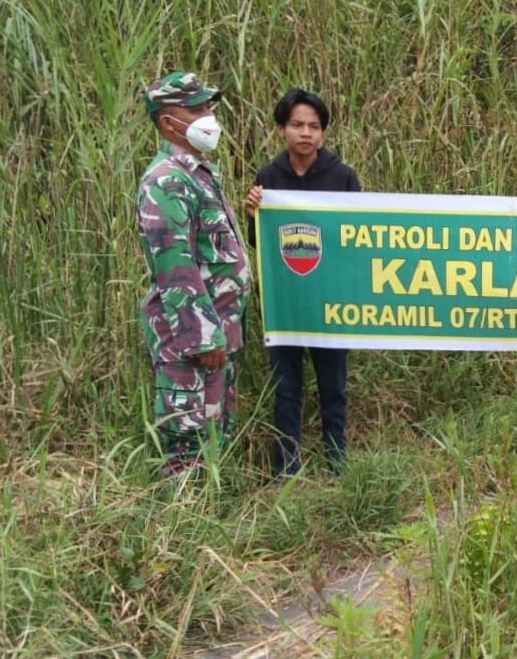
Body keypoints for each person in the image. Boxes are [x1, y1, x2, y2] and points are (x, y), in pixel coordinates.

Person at [136, 71, 251, 479]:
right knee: (187, 443)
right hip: (190, 342)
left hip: (215, 334)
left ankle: (209, 511)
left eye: (207, 107)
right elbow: (175, 266)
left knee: (214, 434)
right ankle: (179, 516)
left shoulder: (197, 174)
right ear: (169, 123)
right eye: (197, 109)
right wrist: (203, 337)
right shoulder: (166, 180)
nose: (208, 118)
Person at [244, 88, 361, 476]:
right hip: (286, 303)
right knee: (286, 389)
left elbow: (357, 239)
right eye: (297, 125)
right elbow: (259, 243)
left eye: (314, 126)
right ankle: (287, 469)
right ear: (281, 129)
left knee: (334, 389)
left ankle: (337, 467)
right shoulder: (268, 177)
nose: (306, 133)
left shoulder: (343, 177)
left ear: (323, 132)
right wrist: (253, 214)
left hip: (330, 302)